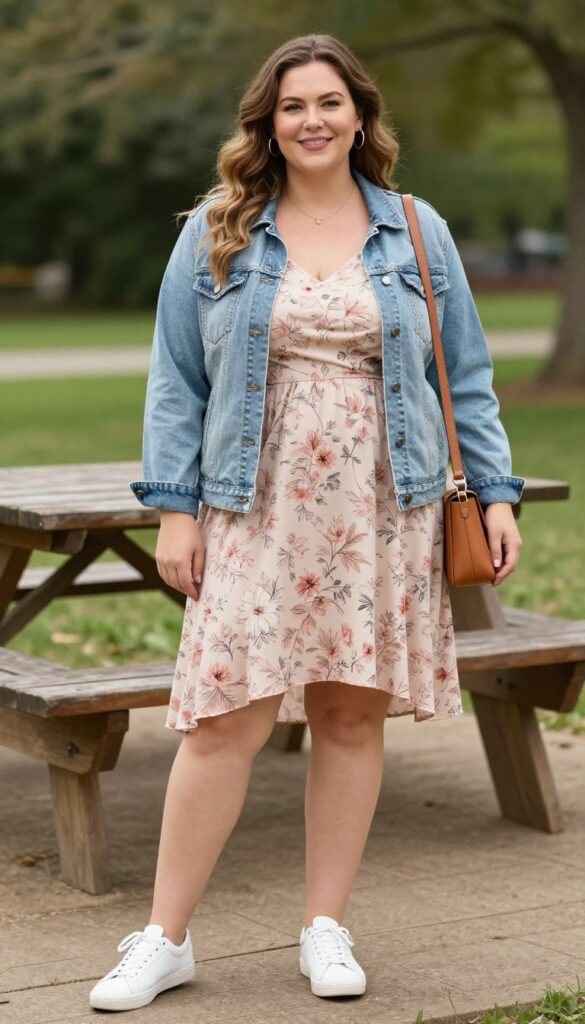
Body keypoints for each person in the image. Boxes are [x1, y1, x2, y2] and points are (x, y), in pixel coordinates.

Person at [89, 32, 524, 1012]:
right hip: (253, 505)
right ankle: (164, 936)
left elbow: (469, 371)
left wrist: (495, 491)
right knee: (221, 718)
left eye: (330, 101)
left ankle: (326, 924)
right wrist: (173, 512)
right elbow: (176, 381)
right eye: (293, 106)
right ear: (268, 123)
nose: (313, 119)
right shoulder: (220, 227)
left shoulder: (416, 229)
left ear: (360, 116)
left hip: (383, 504)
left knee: (347, 711)